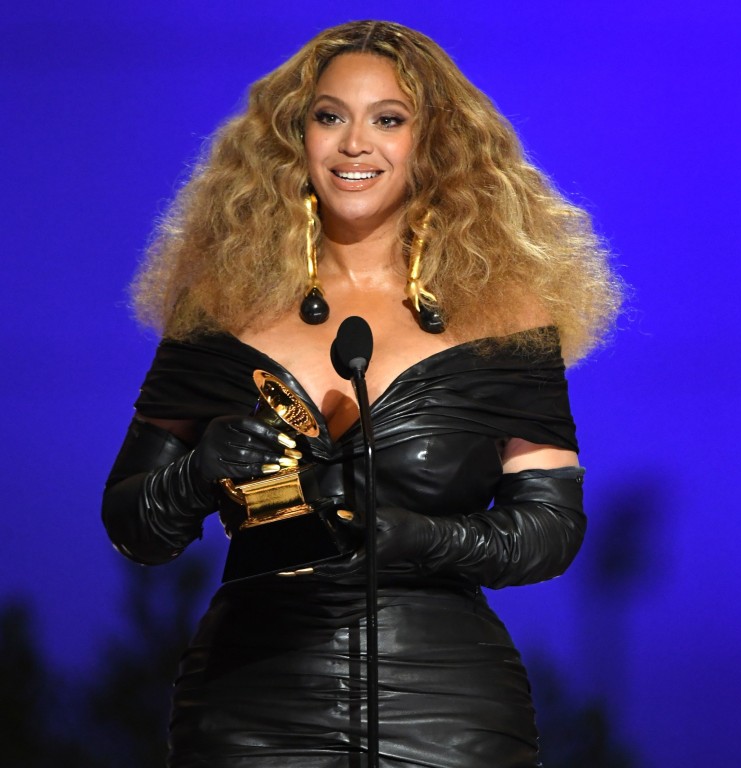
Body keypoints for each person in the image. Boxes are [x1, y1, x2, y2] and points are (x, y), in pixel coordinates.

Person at [102, 20, 621, 768]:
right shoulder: (218, 307)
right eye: (329, 116)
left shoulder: (506, 317)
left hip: (445, 711)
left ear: (433, 141)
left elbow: (550, 529)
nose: (354, 144)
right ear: (295, 136)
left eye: (388, 119)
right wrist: (195, 474)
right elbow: (133, 526)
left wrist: (416, 537)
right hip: (249, 706)